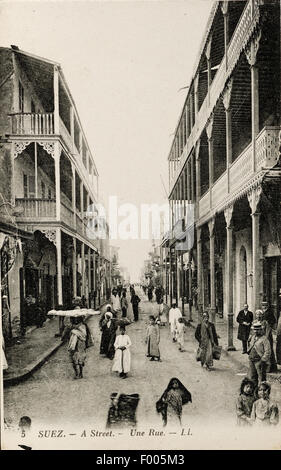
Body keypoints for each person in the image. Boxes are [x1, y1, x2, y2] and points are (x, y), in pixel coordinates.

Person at [247, 321, 271, 387]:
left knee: (262, 380)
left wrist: (262, 360)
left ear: (261, 330)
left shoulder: (264, 339)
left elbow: (268, 352)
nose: (256, 331)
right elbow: (249, 345)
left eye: (257, 330)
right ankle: (254, 394)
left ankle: (263, 395)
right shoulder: (252, 337)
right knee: (252, 378)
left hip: (259, 361)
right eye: (254, 330)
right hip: (251, 360)